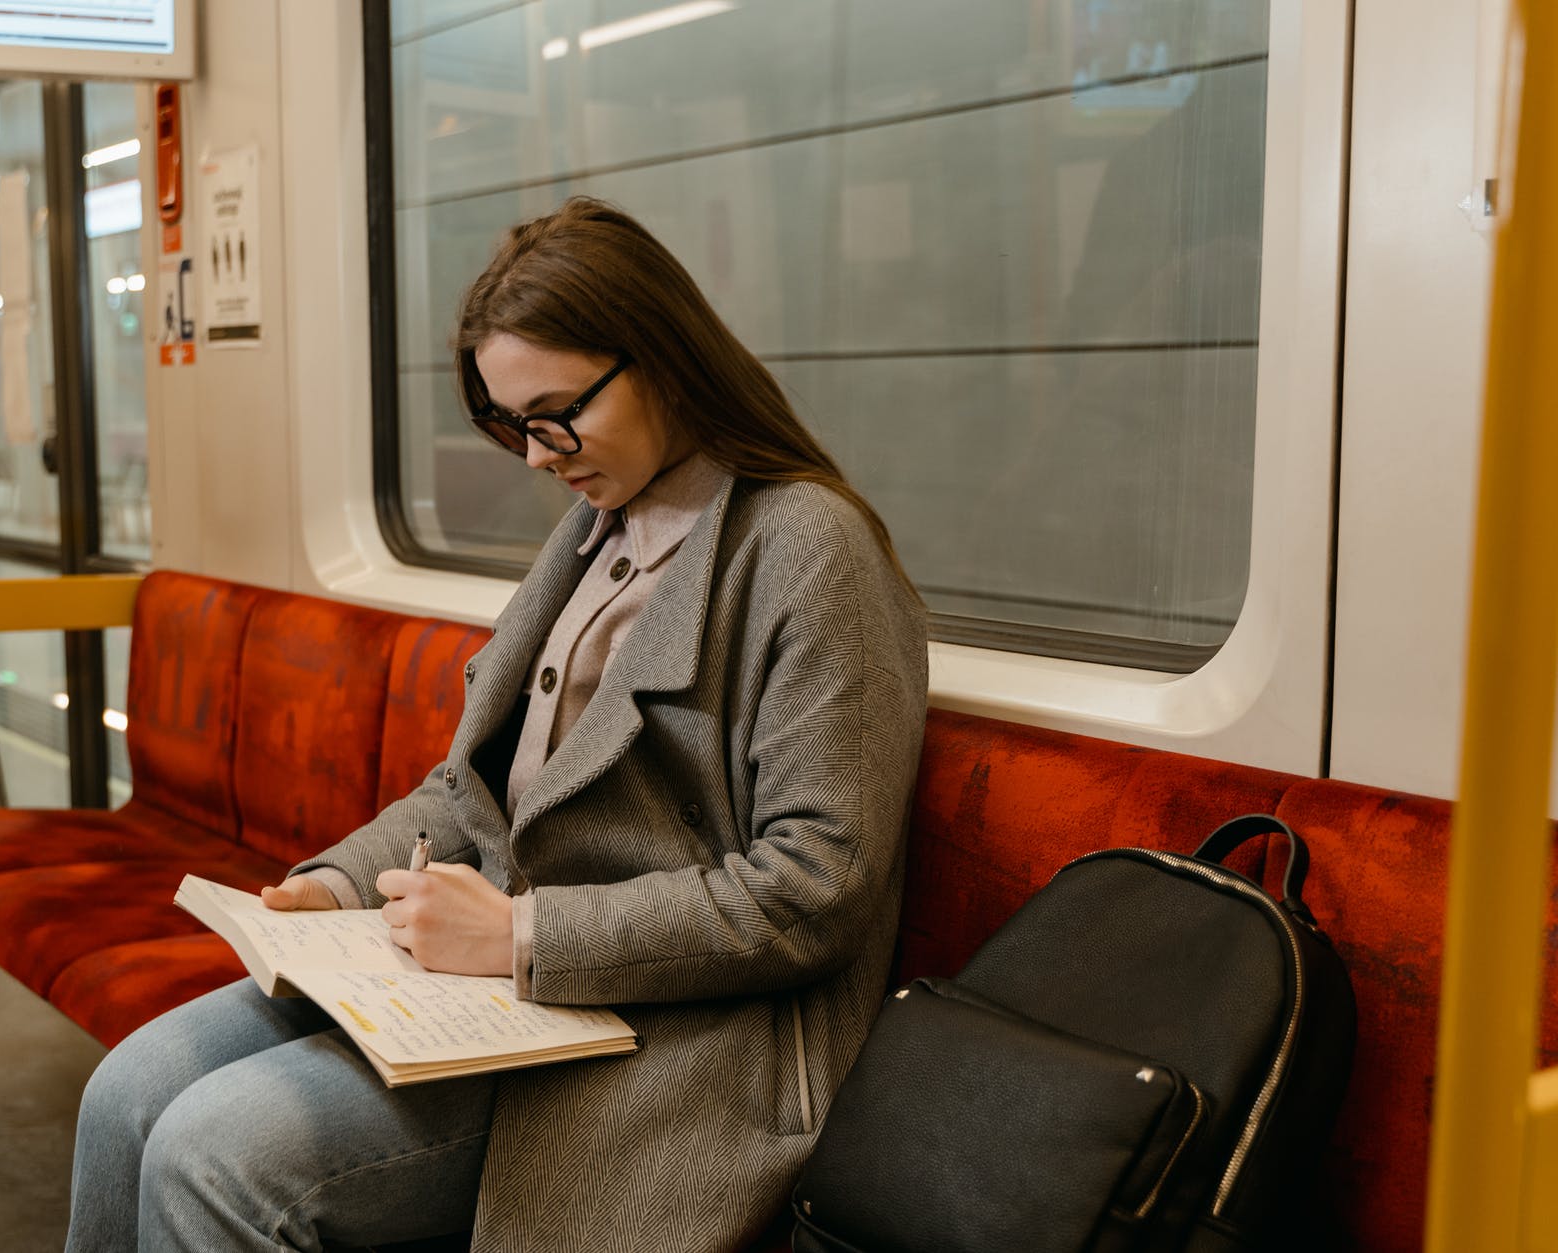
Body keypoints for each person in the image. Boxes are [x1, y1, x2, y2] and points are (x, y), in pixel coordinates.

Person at [66, 196, 929, 1253]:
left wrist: (520, 932)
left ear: (660, 356)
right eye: (511, 423)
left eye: (554, 413)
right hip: (508, 990)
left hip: (677, 1030)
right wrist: (333, 885)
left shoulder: (804, 548)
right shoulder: (598, 526)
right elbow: (473, 789)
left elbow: (813, 888)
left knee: (217, 1152)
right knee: (127, 1090)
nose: (533, 454)